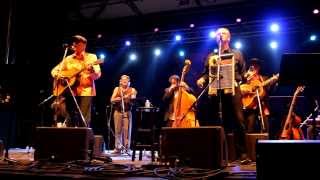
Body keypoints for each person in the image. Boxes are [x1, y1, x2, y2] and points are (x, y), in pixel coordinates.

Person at [196, 27, 249, 162]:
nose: (220, 35)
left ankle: (242, 154)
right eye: (218, 33)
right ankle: (220, 154)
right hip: (215, 91)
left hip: (233, 89)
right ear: (215, 38)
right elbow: (206, 74)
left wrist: (244, 78)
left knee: (239, 121)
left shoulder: (237, 54)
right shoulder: (211, 56)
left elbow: (243, 73)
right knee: (217, 122)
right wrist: (202, 79)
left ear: (229, 37)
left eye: (223, 33)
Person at [51, 35, 101, 127]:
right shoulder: (68, 58)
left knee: (84, 119)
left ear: (84, 45)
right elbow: (54, 70)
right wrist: (60, 76)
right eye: (74, 42)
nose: (74, 44)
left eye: (77, 43)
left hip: (86, 91)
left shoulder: (91, 57)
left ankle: (84, 139)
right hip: (70, 91)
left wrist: (92, 70)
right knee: (70, 117)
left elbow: (97, 75)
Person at [240, 58, 276, 133]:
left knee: (265, 127)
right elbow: (240, 90)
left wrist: (274, 82)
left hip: (262, 106)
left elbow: (269, 91)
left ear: (259, 67)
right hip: (250, 106)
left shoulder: (263, 78)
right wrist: (247, 89)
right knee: (250, 128)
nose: (254, 66)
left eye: (256, 65)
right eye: (252, 65)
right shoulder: (246, 78)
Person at [110, 75, 137, 153]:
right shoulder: (117, 89)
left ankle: (127, 148)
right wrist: (118, 99)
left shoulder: (132, 90)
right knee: (117, 130)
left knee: (127, 130)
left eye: (126, 80)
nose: (124, 81)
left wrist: (130, 96)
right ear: (120, 81)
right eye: (123, 80)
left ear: (129, 82)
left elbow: (133, 98)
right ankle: (118, 148)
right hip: (118, 111)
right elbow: (112, 99)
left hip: (127, 112)